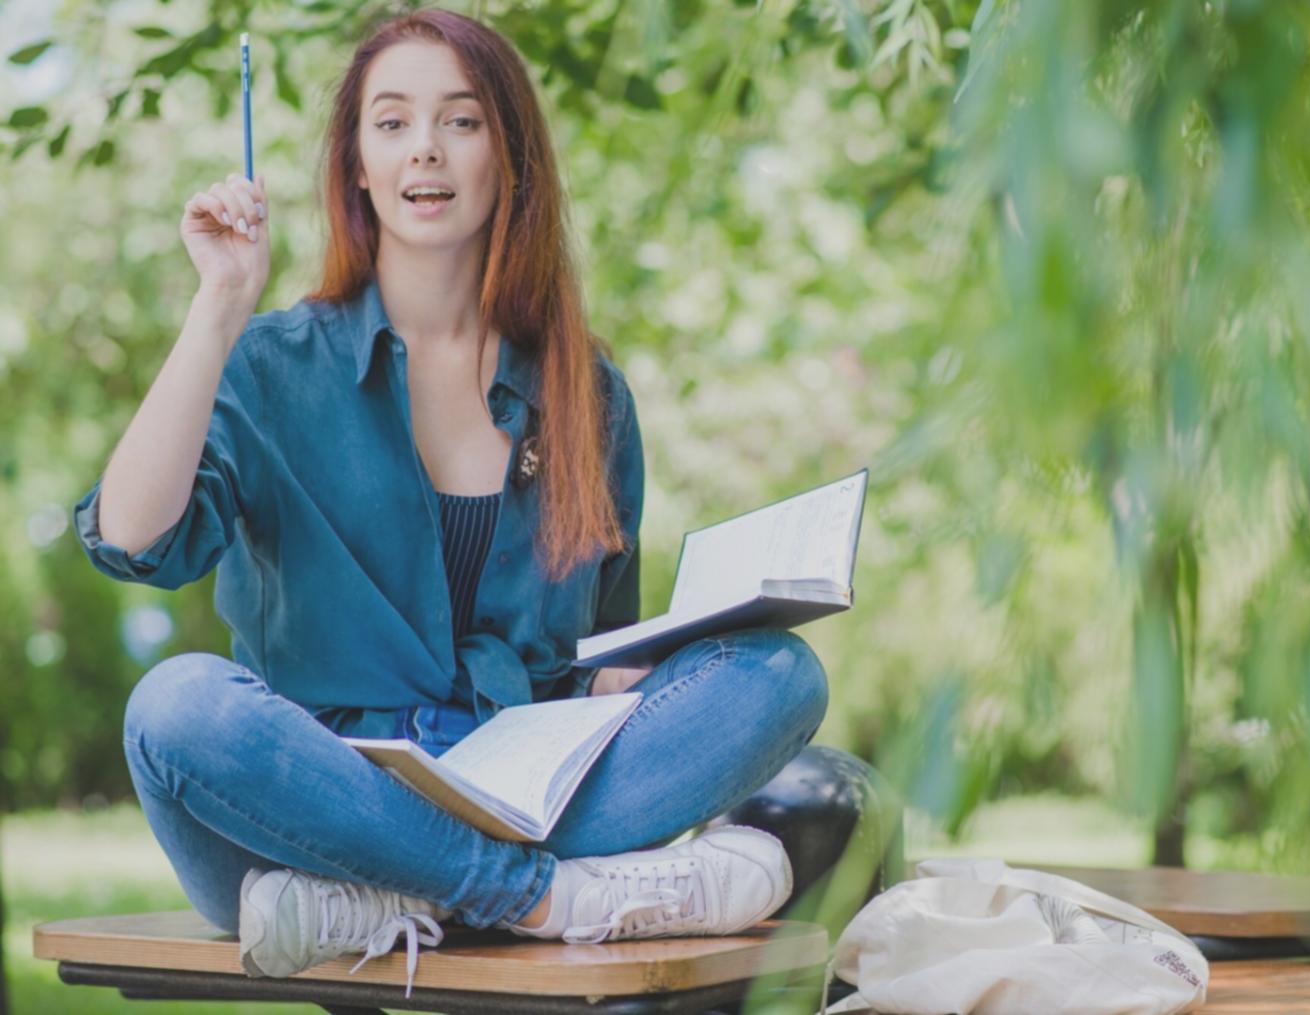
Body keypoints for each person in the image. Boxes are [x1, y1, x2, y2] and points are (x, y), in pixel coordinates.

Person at [73, 9, 828, 995]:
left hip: (514, 795)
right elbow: (134, 538)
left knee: (782, 675)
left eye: (461, 121)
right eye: (391, 124)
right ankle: (540, 900)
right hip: (311, 816)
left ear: (509, 157)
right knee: (174, 707)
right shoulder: (268, 364)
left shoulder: (586, 394)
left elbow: (603, 653)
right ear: (357, 166)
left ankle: (410, 901)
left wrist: (632, 671)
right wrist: (218, 303)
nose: (425, 147)